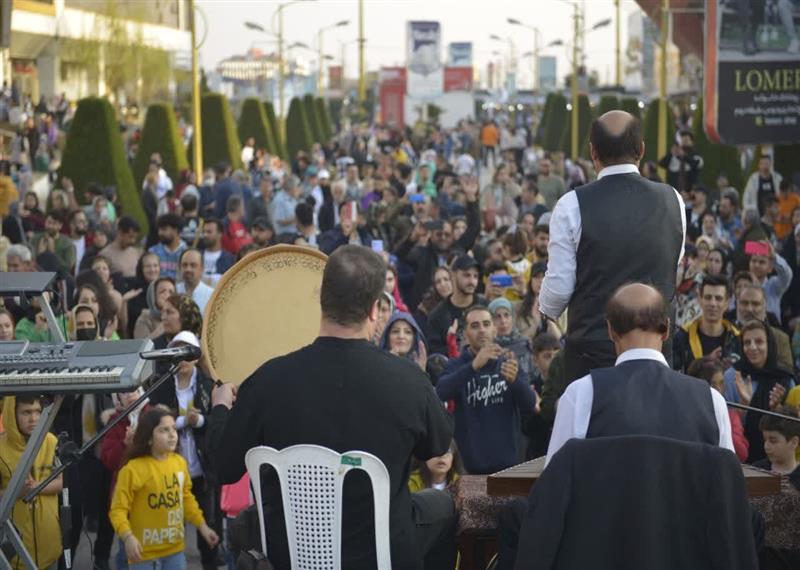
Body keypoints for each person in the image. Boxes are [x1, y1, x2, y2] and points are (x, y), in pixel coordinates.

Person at [207, 245, 456, 570]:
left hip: (292, 556)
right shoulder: (409, 380)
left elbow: (223, 467)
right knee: (445, 505)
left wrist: (220, 408)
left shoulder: (265, 381)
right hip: (382, 556)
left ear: (321, 300)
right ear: (374, 310)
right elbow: (437, 445)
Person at [540, 111, 686, 382]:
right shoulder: (673, 200)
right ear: (641, 149)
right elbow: (673, 265)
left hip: (593, 356)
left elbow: (558, 292)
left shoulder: (571, 205)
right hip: (655, 350)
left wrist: (545, 311)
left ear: (593, 152)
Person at [547, 283, 734, 467]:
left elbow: (555, 477)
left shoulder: (580, 395)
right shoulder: (712, 401)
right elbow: (727, 479)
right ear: (667, 329)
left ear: (611, 331)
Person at [109, 407, 219, 569]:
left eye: (174, 429)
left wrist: (203, 527)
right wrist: (128, 537)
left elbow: (186, 499)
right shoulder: (132, 469)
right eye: (164, 430)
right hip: (143, 555)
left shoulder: (179, 463)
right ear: (149, 438)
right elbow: (117, 510)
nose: (172, 434)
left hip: (175, 553)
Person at [436, 305, 537, 474]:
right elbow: (441, 392)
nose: (482, 330)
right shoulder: (455, 365)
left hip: (509, 467)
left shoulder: (508, 362)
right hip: (470, 469)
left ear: (494, 330)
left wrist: (515, 382)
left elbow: (530, 404)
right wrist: (473, 366)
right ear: (466, 334)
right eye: (475, 326)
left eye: (486, 324)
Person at [148, 331, 219, 570]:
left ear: (196, 357)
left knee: (207, 521)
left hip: (201, 467)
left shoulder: (207, 385)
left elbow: (218, 420)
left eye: (187, 353)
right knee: (171, 524)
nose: (183, 360)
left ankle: (210, 562)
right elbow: (154, 418)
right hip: (171, 467)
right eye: (178, 354)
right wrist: (181, 422)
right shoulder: (162, 384)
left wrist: (200, 421)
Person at [394, 177, 481, 310]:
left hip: (456, 305)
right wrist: (413, 237)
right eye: (439, 234)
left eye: (447, 234)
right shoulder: (423, 253)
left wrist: (471, 198)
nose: (443, 238)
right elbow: (400, 254)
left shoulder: (458, 250)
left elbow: (474, 228)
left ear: (452, 236)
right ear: (431, 236)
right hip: (426, 308)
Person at [0, 395, 62, 570]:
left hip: (49, 544)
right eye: (26, 412)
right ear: (11, 413)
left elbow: (62, 482)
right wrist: (15, 492)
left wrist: (36, 487)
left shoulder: (51, 441)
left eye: (37, 411)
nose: (34, 418)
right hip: (14, 550)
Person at [730, 320, 794, 463]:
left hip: (778, 461)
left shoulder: (785, 379)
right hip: (740, 458)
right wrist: (744, 409)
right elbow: (726, 423)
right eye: (747, 342)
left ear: (769, 344)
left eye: (759, 341)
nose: (752, 347)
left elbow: (792, 428)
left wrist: (777, 409)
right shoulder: (733, 375)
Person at [672, 275, 740, 373]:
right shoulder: (682, 337)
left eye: (718, 298)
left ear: (727, 303)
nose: (712, 303)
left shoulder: (737, 338)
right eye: (708, 297)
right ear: (700, 299)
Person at [687, 356, 749, 462]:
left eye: (721, 383)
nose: (719, 390)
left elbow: (742, 453)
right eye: (712, 385)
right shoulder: (688, 413)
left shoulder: (731, 415)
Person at [426, 255, 486, 355]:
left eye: (475, 276)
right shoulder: (437, 316)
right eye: (466, 275)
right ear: (453, 275)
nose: (472, 281)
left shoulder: (486, 306)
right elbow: (436, 356)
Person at [753, 406, 800, 490]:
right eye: (765, 440)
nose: (766, 446)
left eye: (773, 441)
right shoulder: (755, 470)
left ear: (794, 442)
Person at [748, 241, 793, 323]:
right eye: (753, 261)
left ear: (770, 268)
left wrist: (774, 256)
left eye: (762, 262)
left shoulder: (773, 285)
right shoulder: (742, 284)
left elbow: (787, 275)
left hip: (771, 329)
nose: (756, 265)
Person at [30, 209, 75, 274]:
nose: (50, 226)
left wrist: (53, 254)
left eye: (54, 223)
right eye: (48, 222)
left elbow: (67, 268)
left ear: (60, 225)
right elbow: (28, 263)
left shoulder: (67, 244)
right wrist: (39, 255)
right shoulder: (35, 239)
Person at [176, 248, 214, 315]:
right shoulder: (174, 291)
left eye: (193, 265)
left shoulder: (211, 295)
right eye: (184, 265)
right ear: (179, 267)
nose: (188, 269)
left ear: (202, 269)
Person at [148, 213, 186, 279]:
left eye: (164, 229)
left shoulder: (187, 252)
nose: (160, 233)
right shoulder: (153, 252)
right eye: (159, 230)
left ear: (175, 230)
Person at [199, 218, 235, 285]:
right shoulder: (197, 256)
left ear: (220, 234)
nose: (205, 235)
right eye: (203, 232)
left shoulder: (229, 259)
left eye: (209, 232)